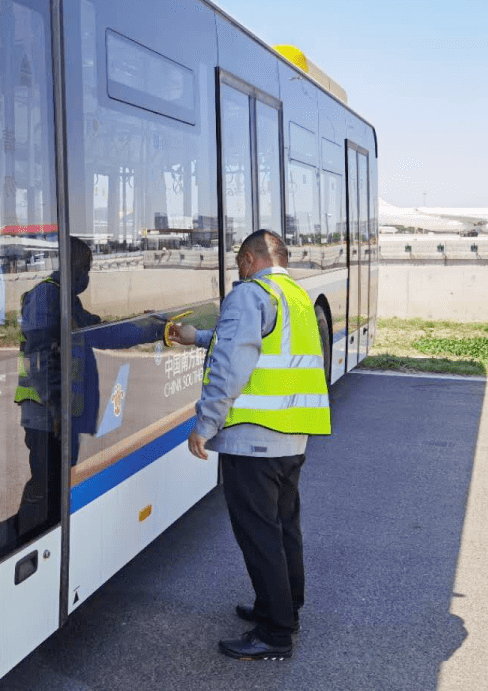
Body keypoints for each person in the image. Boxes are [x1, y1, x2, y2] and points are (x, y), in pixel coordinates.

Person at [168, 229, 330, 661]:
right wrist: (196, 337)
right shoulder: (294, 295)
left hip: (254, 438)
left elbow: (231, 365)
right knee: (283, 528)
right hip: (293, 436)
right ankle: (283, 608)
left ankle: (276, 634)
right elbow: (257, 346)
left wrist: (204, 424)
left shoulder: (249, 294)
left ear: (247, 260)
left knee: (259, 536)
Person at [12, 237, 163, 538]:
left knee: (58, 480)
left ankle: (50, 534)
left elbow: (100, 333)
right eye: (86, 268)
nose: (87, 276)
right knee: (44, 482)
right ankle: (26, 539)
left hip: (61, 408)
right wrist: (55, 405)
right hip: (46, 409)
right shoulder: (46, 297)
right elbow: (40, 357)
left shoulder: (66, 298)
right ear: (72, 267)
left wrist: (150, 326)